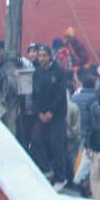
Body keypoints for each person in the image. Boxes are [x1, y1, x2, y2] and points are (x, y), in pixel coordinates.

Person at [30, 44, 70, 188]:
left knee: (56, 145)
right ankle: (47, 169)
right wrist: (39, 112)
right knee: (35, 141)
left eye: (44, 55)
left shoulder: (59, 72)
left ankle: (61, 178)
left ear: (50, 56)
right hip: (41, 114)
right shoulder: (37, 72)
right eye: (40, 56)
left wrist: (51, 112)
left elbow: (60, 94)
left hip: (57, 115)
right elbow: (34, 94)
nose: (41, 58)